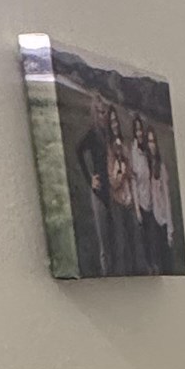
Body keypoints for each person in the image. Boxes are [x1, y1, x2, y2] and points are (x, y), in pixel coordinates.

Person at [73, 94, 114, 275]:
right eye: (99, 112)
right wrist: (89, 178)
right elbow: (78, 151)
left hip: (113, 188)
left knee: (113, 235)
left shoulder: (109, 134)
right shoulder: (92, 134)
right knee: (103, 237)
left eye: (104, 112)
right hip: (98, 190)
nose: (102, 116)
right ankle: (106, 273)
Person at [106, 115, 133, 273]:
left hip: (129, 198)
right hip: (117, 199)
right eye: (112, 122)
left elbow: (130, 172)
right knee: (121, 242)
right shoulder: (109, 150)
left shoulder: (124, 146)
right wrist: (120, 175)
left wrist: (127, 170)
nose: (115, 125)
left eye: (116, 121)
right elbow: (113, 182)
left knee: (132, 241)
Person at [128, 113, 153, 270]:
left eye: (140, 130)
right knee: (145, 239)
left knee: (153, 238)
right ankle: (148, 265)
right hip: (141, 202)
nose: (139, 133)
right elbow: (133, 181)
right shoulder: (133, 153)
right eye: (136, 130)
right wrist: (137, 209)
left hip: (152, 201)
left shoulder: (147, 152)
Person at [147, 127, 174, 266]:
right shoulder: (148, 166)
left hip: (162, 219)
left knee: (166, 261)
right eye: (148, 142)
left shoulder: (161, 167)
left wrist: (170, 229)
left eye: (153, 141)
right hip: (153, 218)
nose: (151, 145)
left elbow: (167, 199)